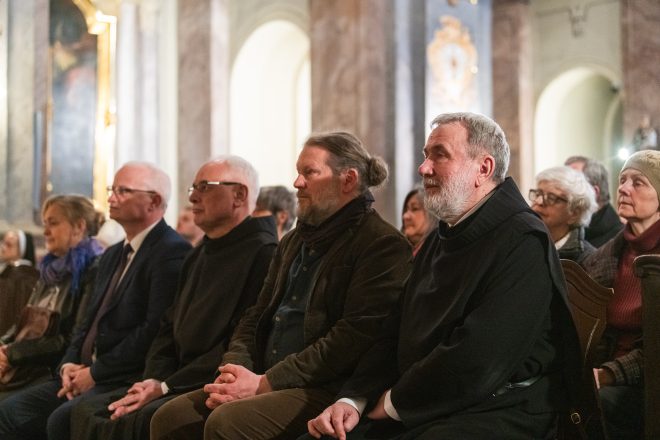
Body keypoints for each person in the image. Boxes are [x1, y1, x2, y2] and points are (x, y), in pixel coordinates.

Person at [305, 112, 582, 440]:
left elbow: (480, 358)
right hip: (428, 396)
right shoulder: (442, 235)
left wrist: (395, 402)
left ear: (484, 168)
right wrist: (354, 398)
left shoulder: (522, 240)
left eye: (440, 154)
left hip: (501, 407)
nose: (424, 168)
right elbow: (393, 329)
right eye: (426, 155)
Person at [150, 131, 412, 439]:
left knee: (227, 423)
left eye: (309, 173)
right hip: (262, 374)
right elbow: (256, 315)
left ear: (348, 180)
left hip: (325, 386)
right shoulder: (293, 240)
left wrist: (265, 383)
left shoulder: (381, 244)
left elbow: (353, 337)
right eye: (299, 173)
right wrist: (233, 371)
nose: (297, 183)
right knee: (170, 418)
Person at [69, 155, 279, 440]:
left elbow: (239, 341)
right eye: (193, 188)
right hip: (172, 377)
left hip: (209, 380)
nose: (192, 196)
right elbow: (167, 326)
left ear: (239, 195)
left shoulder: (264, 254)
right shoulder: (198, 254)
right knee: (87, 413)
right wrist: (153, 379)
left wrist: (166, 386)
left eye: (204, 187)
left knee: (135, 418)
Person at [0, 162, 191, 440]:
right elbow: (87, 322)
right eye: (112, 189)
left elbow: (152, 329)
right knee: (8, 412)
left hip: (122, 374)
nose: (111, 198)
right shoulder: (113, 254)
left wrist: (95, 372)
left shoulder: (170, 252)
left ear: (154, 201)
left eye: (122, 191)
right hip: (80, 370)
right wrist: (68, 365)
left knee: (59, 419)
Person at [581, 150, 660, 439]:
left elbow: (656, 347)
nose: (624, 188)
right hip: (599, 373)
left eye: (638, 182)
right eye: (622, 179)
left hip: (647, 384)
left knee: (596, 406)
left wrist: (607, 375)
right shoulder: (604, 257)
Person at [0, 196, 103, 399]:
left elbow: (69, 339)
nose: (46, 232)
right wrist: (3, 347)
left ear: (79, 226)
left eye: (53, 223)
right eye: (45, 224)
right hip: (23, 362)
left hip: (49, 369)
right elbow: (23, 323)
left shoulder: (92, 269)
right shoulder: (49, 268)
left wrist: (11, 354)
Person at [529, 166, 597, 261]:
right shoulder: (520, 243)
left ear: (574, 214)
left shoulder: (589, 260)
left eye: (551, 198)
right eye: (537, 194)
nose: (538, 201)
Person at [565, 156, 623, 247]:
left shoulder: (620, 241)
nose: (562, 191)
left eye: (571, 184)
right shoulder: (563, 229)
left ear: (594, 192)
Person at [0, 230, 39, 335]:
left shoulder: (25, 277)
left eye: (9, 245)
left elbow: (18, 315)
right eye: (3, 243)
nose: (3, 248)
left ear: (22, 249)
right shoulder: (8, 273)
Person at [400, 186, 437, 256]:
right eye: (406, 210)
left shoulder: (440, 253)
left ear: (432, 214)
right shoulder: (398, 252)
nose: (405, 216)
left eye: (415, 209)